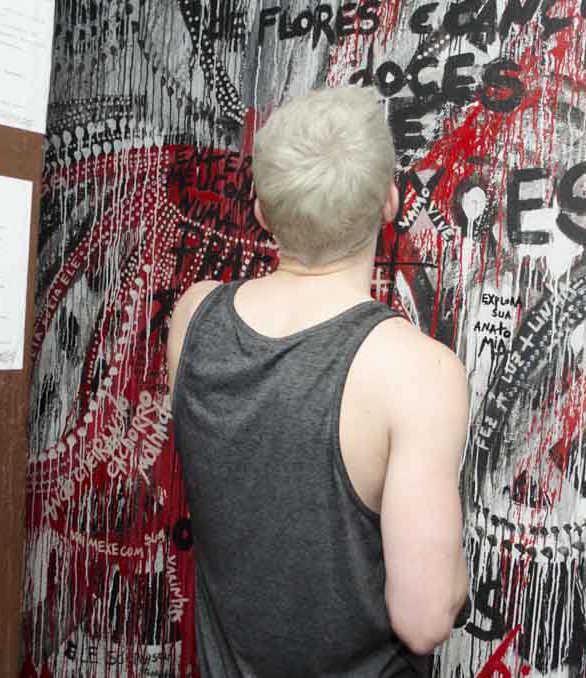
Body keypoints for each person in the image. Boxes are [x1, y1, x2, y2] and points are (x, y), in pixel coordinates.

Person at [167, 85, 471, 677]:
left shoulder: (194, 317)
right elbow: (424, 620)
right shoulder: (418, 372)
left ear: (262, 210)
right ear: (388, 202)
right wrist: (455, 577)